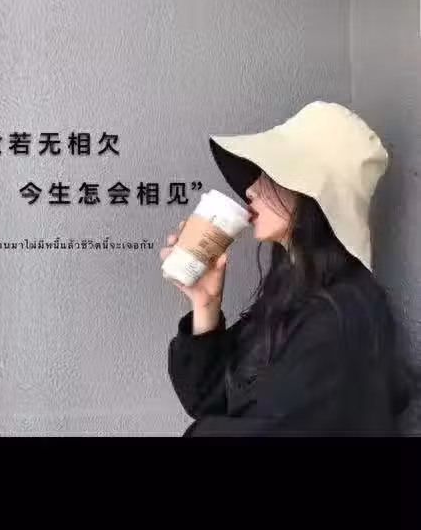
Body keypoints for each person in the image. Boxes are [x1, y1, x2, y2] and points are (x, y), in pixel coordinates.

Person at [161, 101, 412, 436]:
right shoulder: (291, 296)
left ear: (312, 194)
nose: (250, 189)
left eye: (270, 174)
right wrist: (205, 303)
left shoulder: (343, 314)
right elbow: (207, 399)